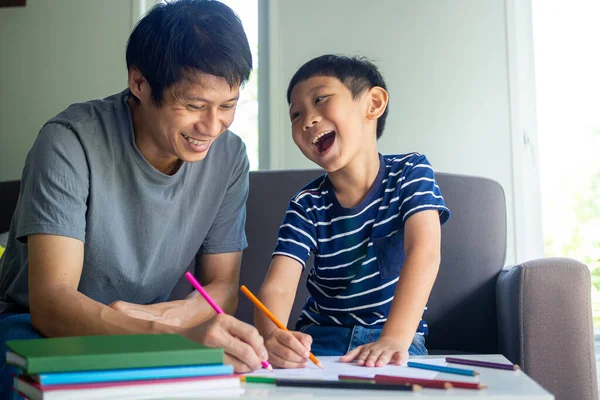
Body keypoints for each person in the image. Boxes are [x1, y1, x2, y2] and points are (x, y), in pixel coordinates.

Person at [0, 0, 269, 395]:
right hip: (36, 327)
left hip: (152, 328)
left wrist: (166, 321)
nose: (212, 126)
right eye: (194, 105)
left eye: (227, 106)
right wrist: (171, 339)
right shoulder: (68, 142)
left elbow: (222, 287)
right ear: (140, 83)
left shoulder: (229, 157)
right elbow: (51, 303)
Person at [255, 55, 451, 369]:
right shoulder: (306, 204)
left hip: (397, 337)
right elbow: (278, 285)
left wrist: (394, 338)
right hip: (321, 338)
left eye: (320, 99)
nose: (307, 120)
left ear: (373, 103)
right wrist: (271, 335)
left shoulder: (411, 172)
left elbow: (424, 252)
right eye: (295, 114)